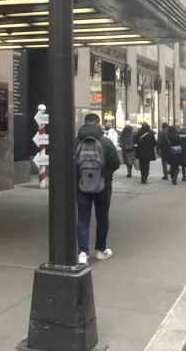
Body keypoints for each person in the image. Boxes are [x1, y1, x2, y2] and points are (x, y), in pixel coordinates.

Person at [75, 113, 121, 265]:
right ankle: (101, 250)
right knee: (102, 218)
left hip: (81, 186)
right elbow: (115, 163)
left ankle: (82, 253)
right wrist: (105, 174)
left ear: (85, 123)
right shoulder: (106, 142)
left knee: (83, 218)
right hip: (103, 186)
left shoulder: (75, 142)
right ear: (98, 123)